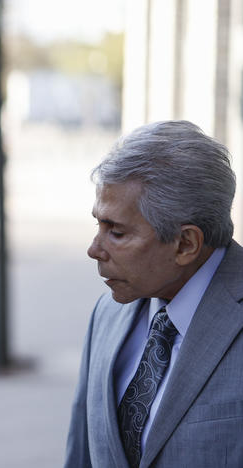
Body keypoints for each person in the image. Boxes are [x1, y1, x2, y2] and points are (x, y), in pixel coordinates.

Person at [64, 120, 243, 467]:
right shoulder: (107, 313)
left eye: (115, 232)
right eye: (98, 225)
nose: (94, 249)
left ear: (186, 244)